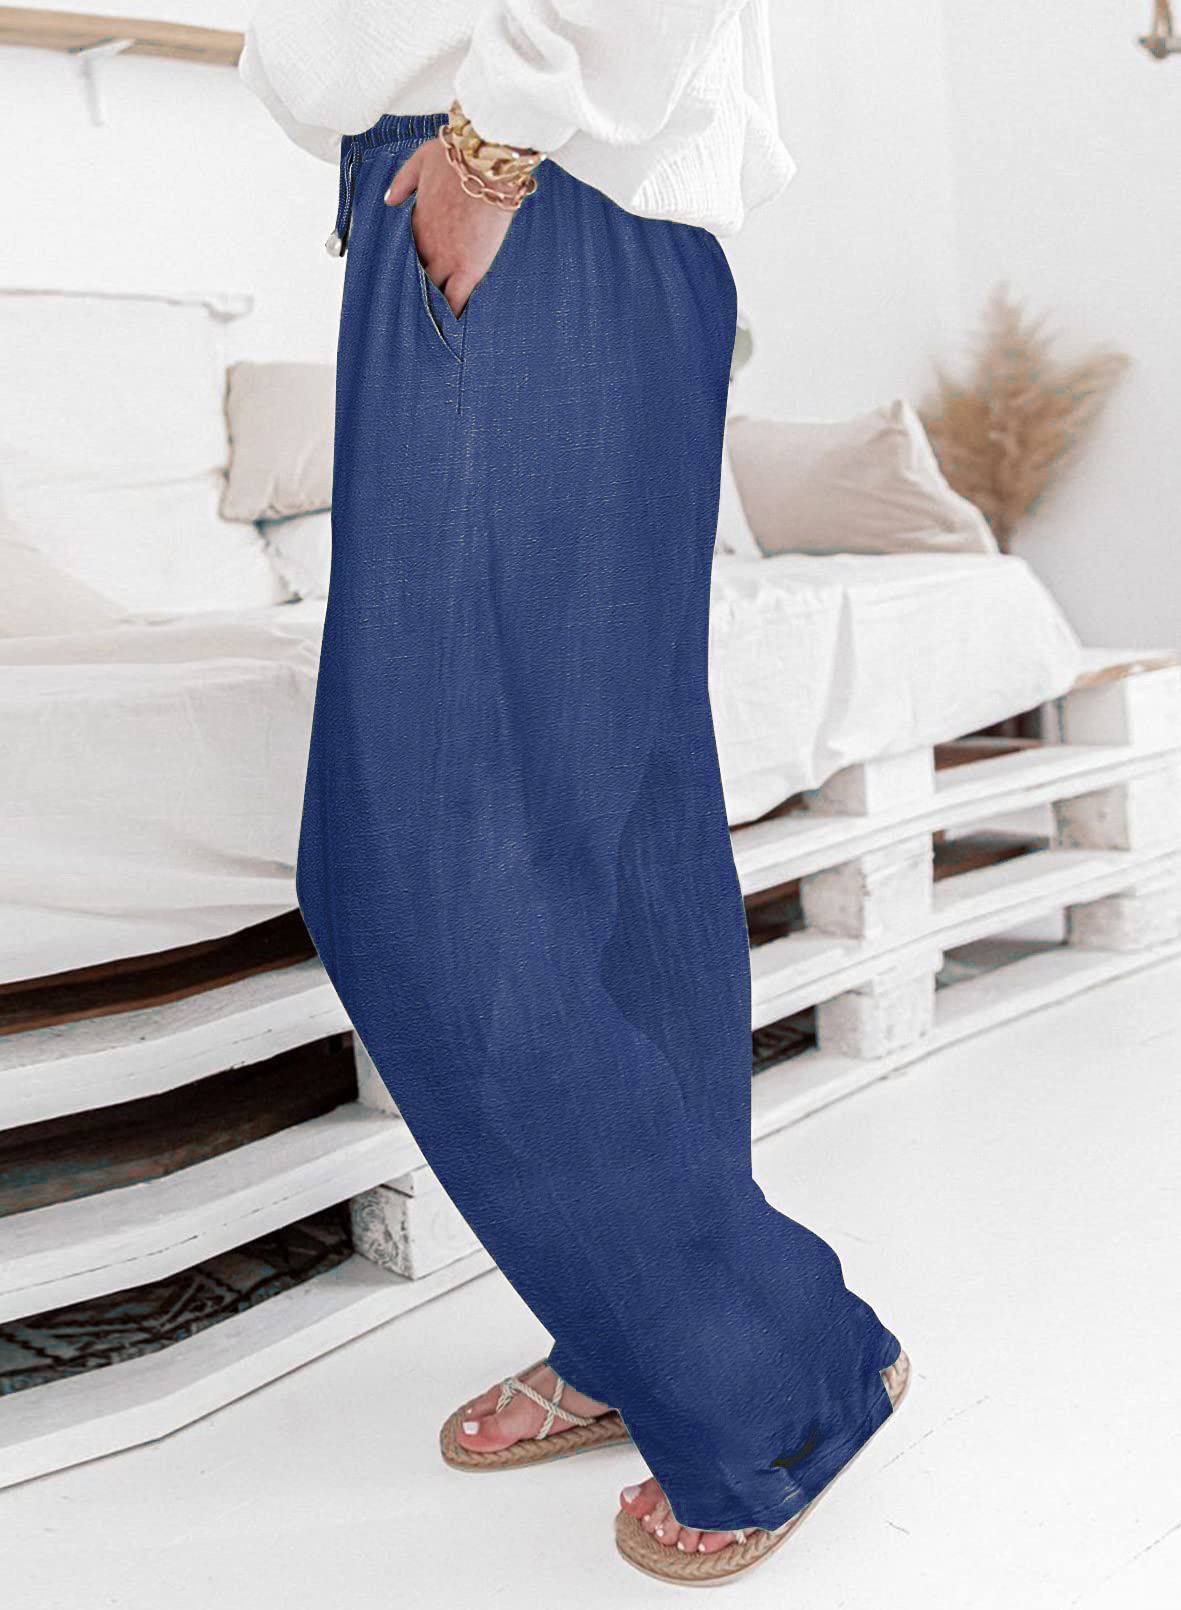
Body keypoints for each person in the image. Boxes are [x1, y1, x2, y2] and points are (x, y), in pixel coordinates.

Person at [239, 1, 909, 1586]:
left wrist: (487, 150)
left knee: (412, 872)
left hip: (519, 195)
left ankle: (772, 1365)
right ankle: (639, 1336)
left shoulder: (502, 157)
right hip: (554, 209)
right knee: (621, 855)